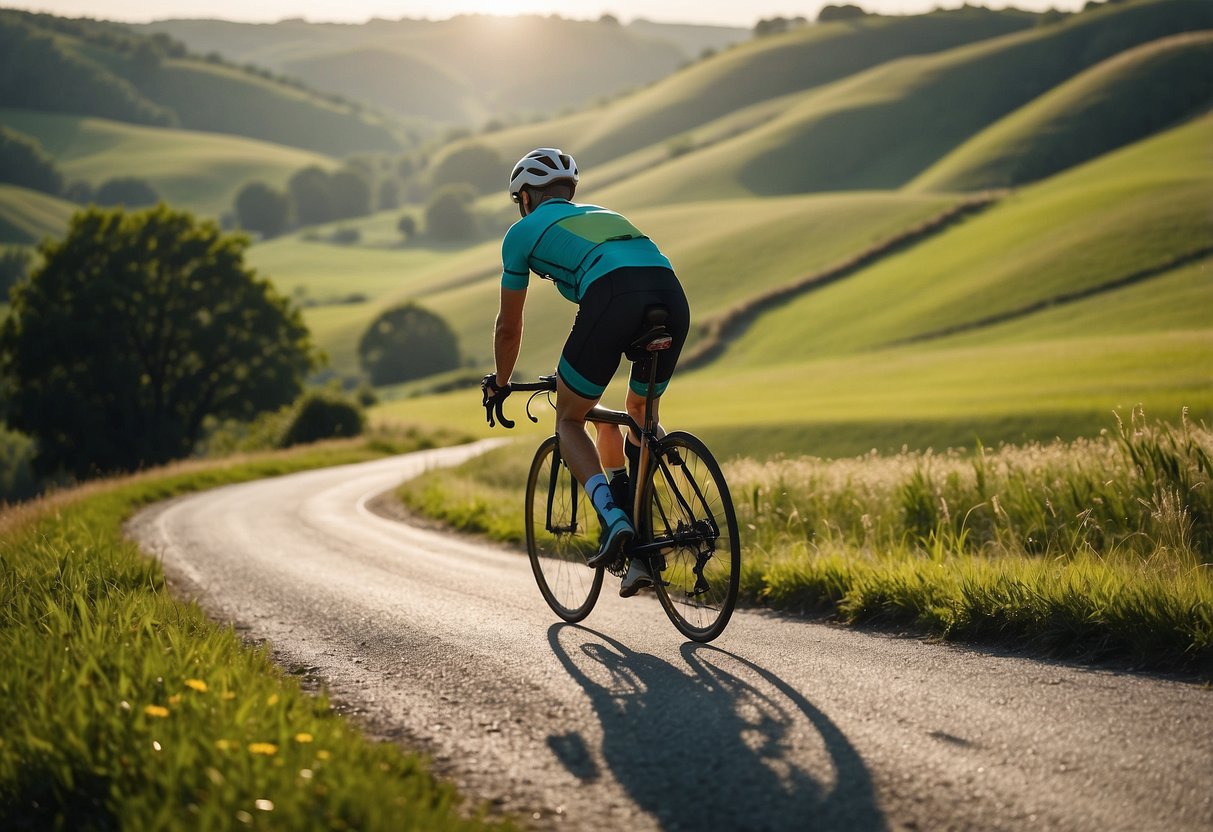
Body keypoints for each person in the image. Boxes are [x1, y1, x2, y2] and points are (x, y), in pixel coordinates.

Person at [481, 147, 690, 598]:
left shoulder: (521, 233)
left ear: (526, 199)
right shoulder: (606, 214)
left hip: (613, 297)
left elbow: (509, 327)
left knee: (570, 418)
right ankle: (642, 552)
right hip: (671, 296)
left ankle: (614, 518)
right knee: (639, 414)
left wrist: (500, 383)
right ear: (569, 192)